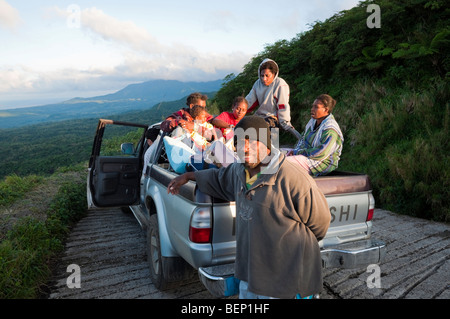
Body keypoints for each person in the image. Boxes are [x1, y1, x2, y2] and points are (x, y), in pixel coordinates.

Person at [167, 116, 331, 299]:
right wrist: (189, 176)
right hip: (250, 274)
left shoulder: (291, 178)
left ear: (267, 145)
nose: (244, 148)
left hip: (283, 278)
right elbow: (218, 178)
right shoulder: (239, 171)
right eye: (238, 142)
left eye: (251, 142)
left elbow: (320, 223)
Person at [287, 94, 344, 176]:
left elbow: (320, 153)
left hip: (322, 163)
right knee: (279, 155)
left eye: (316, 107)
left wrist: (297, 152)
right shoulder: (313, 121)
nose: (312, 109)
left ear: (326, 110)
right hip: (309, 157)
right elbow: (303, 140)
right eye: (312, 106)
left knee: (286, 163)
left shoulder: (330, 129)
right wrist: (294, 152)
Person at [245, 58, 301, 139]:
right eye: (262, 75)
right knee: (244, 127)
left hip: (273, 118)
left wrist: (285, 122)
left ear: (274, 74)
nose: (264, 79)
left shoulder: (280, 84)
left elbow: (283, 105)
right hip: (259, 116)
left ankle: (270, 150)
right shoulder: (257, 84)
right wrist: (238, 111)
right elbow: (249, 101)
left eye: (267, 76)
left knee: (263, 133)